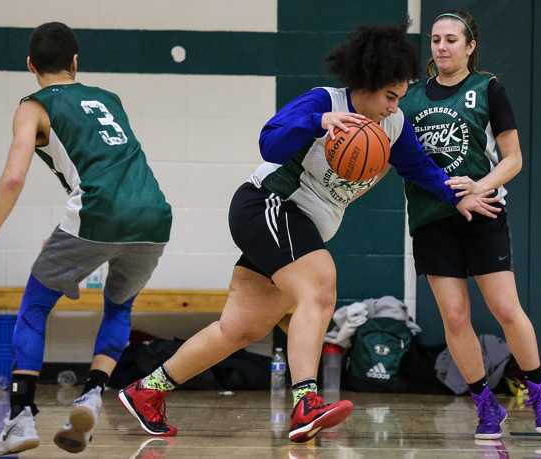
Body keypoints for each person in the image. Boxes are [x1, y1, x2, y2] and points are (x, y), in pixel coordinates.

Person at [117, 21, 499, 443]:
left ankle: (146, 390)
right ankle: (305, 403)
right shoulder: (324, 101)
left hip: (298, 227)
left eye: (400, 98)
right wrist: (319, 121)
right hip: (267, 204)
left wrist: (456, 196)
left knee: (240, 328)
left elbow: (419, 168)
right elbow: (269, 143)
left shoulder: (392, 126)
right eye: (390, 96)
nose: (395, 107)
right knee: (320, 287)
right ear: (368, 83)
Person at [0, 22, 172, 455]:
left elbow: (14, 175)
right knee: (119, 306)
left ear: (30, 65)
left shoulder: (33, 106)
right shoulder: (110, 99)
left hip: (95, 215)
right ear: (76, 62)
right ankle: (92, 394)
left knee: (34, 309)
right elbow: (110, 171)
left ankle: (20, 419)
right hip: (154, 215)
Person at [399, 10, 541, 439]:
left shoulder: (487, 89)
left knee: (507, 309)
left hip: (484, 214)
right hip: (431, 220)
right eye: (435, 39)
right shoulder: (411, 98)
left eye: (451, 39)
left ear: (470, 46)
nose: (441, 47)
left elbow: (513, 159)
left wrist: (479, 187)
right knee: (455, 318)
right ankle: (484, 404)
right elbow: (399, 159)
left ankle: (540, 390)